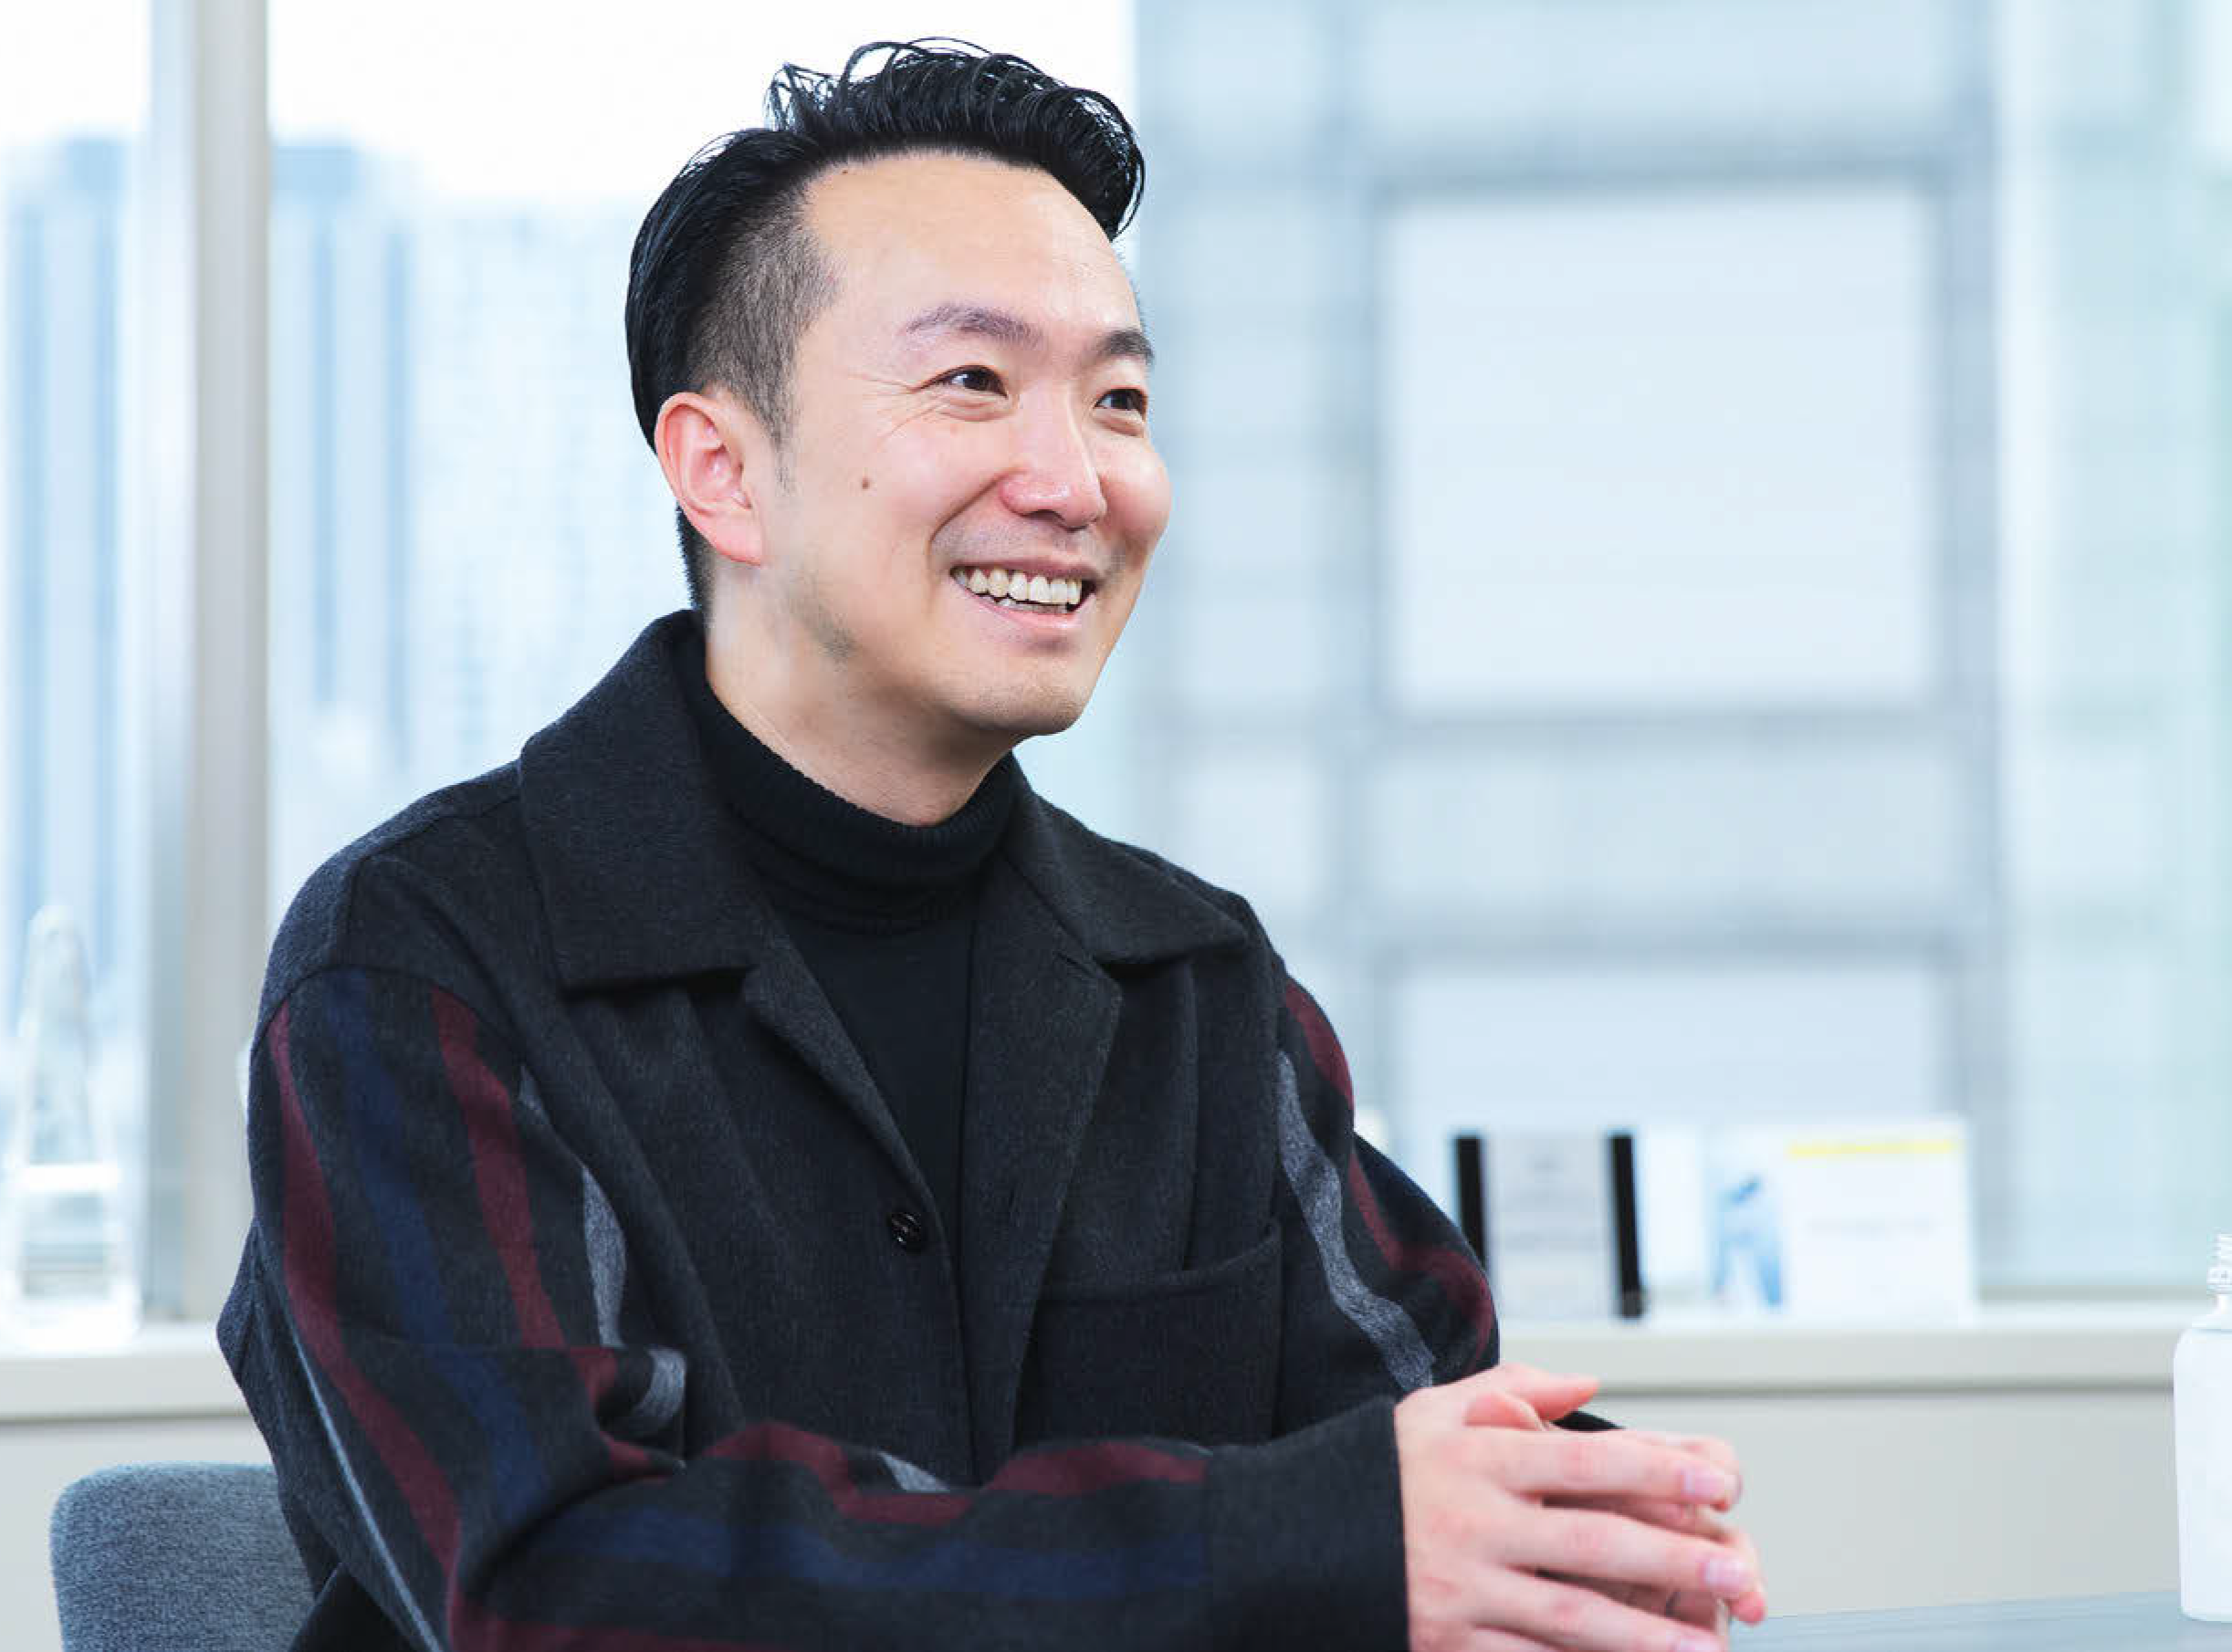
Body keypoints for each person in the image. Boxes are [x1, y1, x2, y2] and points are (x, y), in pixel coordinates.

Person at [220, 40, 1766, 1652]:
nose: (1077, 481)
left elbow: (1424, 1449)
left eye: (1119, 401)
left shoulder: (1193, 983)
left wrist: (1591, 1529)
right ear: (723, 473)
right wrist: (1268, 1543)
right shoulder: (419, 965)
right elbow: (561, 1583)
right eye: (973, 381)